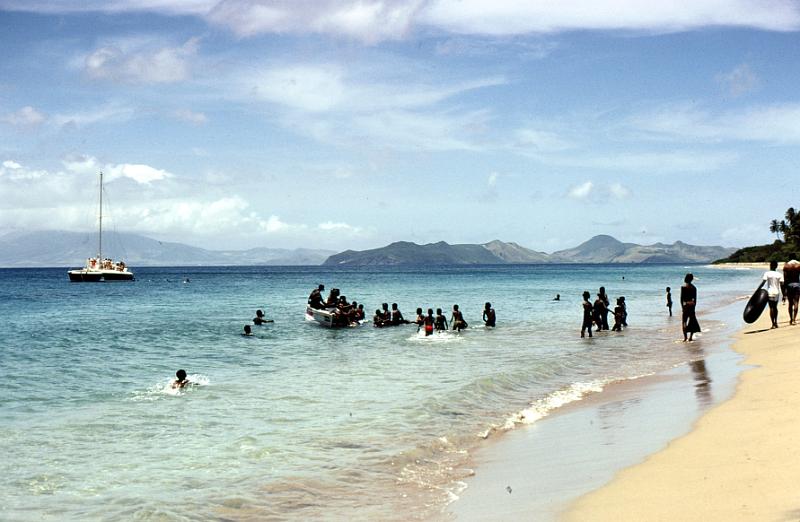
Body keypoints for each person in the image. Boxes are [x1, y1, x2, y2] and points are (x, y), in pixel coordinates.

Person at [760, 261, 783, 329]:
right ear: (776, 266)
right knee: (775, 307)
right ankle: (776, 322)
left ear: (770, 266)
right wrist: (784, 294)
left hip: (770, 292)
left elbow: (763, 282)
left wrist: (758, 289)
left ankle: (773, 324)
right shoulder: (779, 274)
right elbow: (782, 285)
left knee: (771, 308)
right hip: (777, 292)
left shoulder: (767, 273)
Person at [681, 273, 701, 341]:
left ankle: (685, 338)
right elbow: (695, 300)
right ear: (692, 279)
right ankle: (690, 337)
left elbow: (681, 299)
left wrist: (682, 308)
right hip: (692, 306)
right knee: (692, 322)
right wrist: (694, 307)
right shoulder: (694, 288)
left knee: (684, 322)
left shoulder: (683, 287)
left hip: (685, 306)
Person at [783, 254, 800, 326]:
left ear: (789, 258)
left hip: (789, 285)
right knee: (796, 302)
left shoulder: (786, 266)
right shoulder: (799, 265)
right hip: (797, 284)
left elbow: (785, 279)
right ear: (795, 257)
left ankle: (791, 319)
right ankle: (794, 319)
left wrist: (784, 290)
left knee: (790, 303)